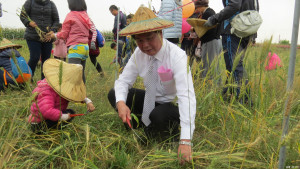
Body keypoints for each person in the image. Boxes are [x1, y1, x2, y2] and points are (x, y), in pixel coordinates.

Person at [107, 7, 196, 164]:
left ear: (160, 34)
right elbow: (124, 81)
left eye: (149, 38)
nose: (145, 45)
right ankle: (138, 124)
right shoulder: (138, 54)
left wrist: (186, 141)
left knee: (159, 115)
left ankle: (166, 131)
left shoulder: (177, 56)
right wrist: (121, 104)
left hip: (169, 106)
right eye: (140, 40)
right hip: (150, 100)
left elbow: (186, 96)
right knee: (115, 94)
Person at [203, 0, 259, 100]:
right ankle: (228, 95)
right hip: (246, 30)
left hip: (233, 31)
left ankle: (244, 101)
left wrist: (214, 19)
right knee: (232, 68)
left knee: (235, 67)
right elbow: (254, 9)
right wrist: (253, 34)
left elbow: (234, 5)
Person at [47, 0, 96, 111]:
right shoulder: (85, 15)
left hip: (75, 48)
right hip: (85, 48)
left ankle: (73, 98)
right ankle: (83, 97)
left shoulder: (71, 15)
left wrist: (54, 34)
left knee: (71, 75)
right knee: (80, 74)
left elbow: (64, 34)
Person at [28, 59, 95, 133]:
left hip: (53, 115)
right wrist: (63, 117)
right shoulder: (46, 91)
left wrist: (87, 101)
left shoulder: (61, 87)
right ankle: (52, 130)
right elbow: (46, 111)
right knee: (68, 115)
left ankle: (56, 127)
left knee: (70, 112)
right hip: (40, 124)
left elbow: (73, 95)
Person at [20, 0, 60, 81]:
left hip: (47, 37)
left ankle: (44, 81)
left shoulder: (51, 4)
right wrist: (29, 22)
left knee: (46, 60)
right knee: (35, 57)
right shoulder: (30, 2)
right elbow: (22, 15)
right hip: (32, 36)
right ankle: (28, 79)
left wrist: (52, 31)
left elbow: (56, 20)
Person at [194, 0, 222, 80]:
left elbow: (209, 29)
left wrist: (196, 29)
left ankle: (212, 86)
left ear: (201, 6)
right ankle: (211, 85)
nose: (197, 10)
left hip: (211, 41)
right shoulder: (210, 12)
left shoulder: (208, 13)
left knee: (211, 65)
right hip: (213, 41)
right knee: (212, 65)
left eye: (197, 8)